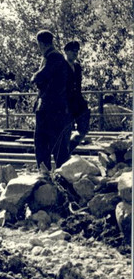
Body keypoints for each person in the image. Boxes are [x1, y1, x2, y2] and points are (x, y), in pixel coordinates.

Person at [31, 30, 73, 172]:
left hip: (50, 107)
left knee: (44, 142)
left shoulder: (54, 57)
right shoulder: (56, 58)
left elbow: (39, 76)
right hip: (56, 106)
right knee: (56, 142)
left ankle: (48, 173)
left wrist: (35, 77)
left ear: (41, 44)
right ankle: (61, 173)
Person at [63, 40, 91, 151]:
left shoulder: (77, 66)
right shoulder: (61, 66)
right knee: (66, 129)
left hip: (77, 102)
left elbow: (78, 86)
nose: (75, 53)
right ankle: (64, 154)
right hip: (65, 102)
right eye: (73, 51)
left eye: (77, 51)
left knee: (83, 129)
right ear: (66, 51)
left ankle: (69, 148)